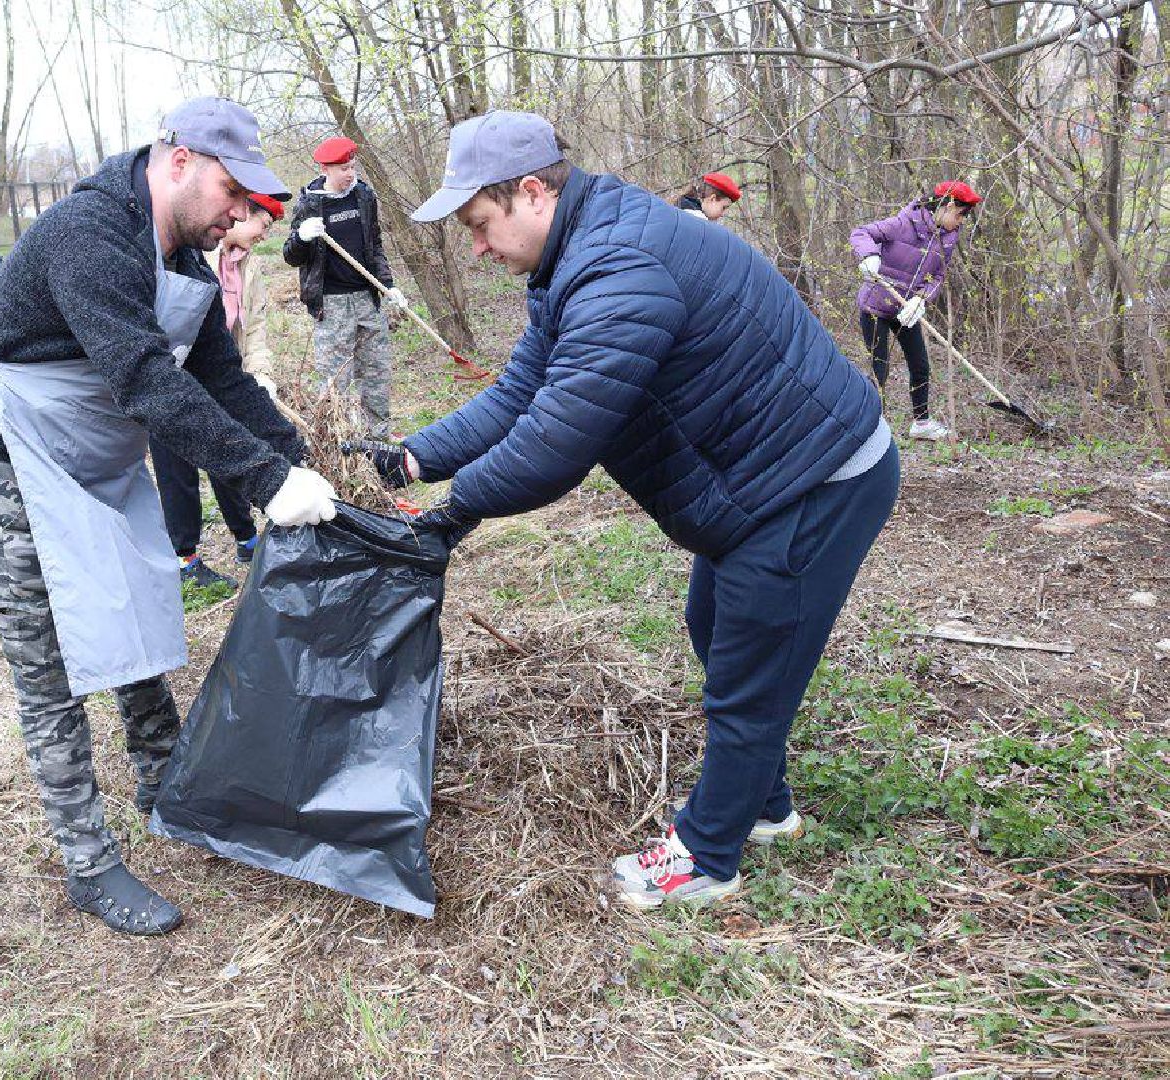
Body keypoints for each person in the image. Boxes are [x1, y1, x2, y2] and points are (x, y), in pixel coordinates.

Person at [367, 110, 899, 909]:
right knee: (716, 628)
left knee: (750, 668)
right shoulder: (577, 255)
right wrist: (417, 457)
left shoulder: (619, 267)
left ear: (533, 192)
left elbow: (555, 439)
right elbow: (522, 391)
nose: (476, 247)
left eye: (480, 224)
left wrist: (453, 512)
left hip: (816, 478)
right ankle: (764, 802)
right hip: (759, 480)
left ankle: (707, 854)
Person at [0, 97, 337, 936]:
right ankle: (87, 861)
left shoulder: (190, 267)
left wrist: (299, 457)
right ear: (179, 159)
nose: (243, 215)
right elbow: (147, 382)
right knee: (48, 664)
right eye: (235, 192)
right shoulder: (88, 234)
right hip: (11, 459)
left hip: (99, 456)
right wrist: (264, 481)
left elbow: (222, 381)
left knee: (133, 606)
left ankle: (168, 786)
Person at [153, 193, 285, 590]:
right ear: (244, 215)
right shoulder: (196, 258)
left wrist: (260, 374)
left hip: (224, 375)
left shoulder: (251, 266)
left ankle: (247, 539)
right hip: (175, 374)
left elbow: (255, 327)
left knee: (229, 451)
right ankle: (185, 558)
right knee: (176, 465)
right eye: (263, 224)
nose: (264, 235)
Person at [283, 136, 405, 438]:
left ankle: (379, 440)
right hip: (331, 305)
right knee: (333, 381)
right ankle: (332, 442)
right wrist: (302, 236)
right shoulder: (310, 204)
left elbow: (375, 246)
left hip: (367, 299)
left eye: (352, 167)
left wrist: (389, 287)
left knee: (376, 373)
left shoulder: (364, 197)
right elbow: (290, 255)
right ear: (325, 168)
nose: (349, 174)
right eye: (342, 169)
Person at [850, 181, 982, 442]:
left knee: (920, 364)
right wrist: (868, 256)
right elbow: (861, 233)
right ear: (947, 206)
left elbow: (938, 276)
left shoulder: (947, 238)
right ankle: (871, 425)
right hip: (875, 307)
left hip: (906, 310)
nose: (961, 221)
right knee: (879, 367)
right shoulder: (902, 224)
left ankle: (921, 423)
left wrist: (921, 299)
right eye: (960, 215)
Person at [675, 172, 741, 221]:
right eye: (723, 208)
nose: (723, 213)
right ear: (713, 199)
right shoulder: (697, 221)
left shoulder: (679, 209)